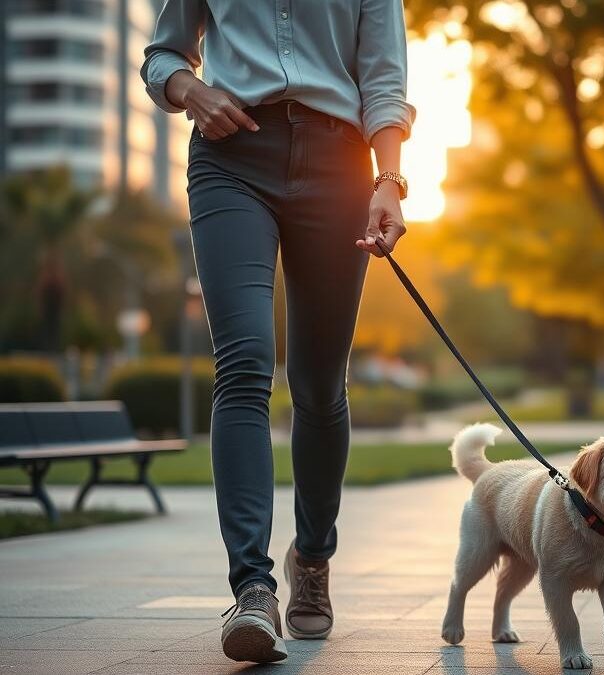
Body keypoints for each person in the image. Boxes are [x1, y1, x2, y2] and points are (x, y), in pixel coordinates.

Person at [141, 0, 416, 664]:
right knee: (244, 363)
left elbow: (384, 79)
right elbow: (163, 54)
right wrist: (192, 91)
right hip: (231, 157)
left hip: (339, 165)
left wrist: (388, 179)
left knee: (320, 384)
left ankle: (313, 559)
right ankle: (252, 587)